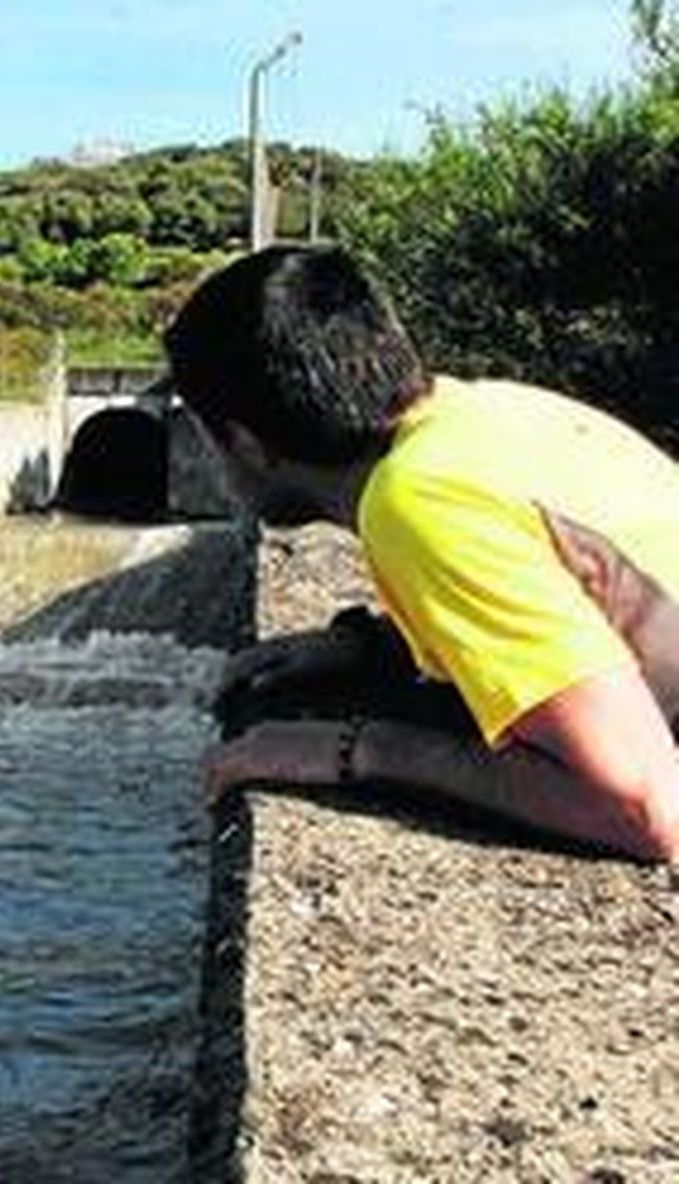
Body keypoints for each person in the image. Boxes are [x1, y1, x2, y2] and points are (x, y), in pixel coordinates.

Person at [164, 245, 679, 863]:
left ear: (245, 442)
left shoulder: (414, 498)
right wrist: (378, 645)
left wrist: (357, 750)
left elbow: (645, 807)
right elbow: (567, 586)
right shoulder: (488, 409)